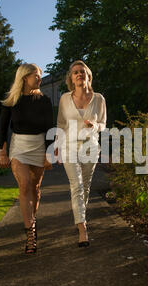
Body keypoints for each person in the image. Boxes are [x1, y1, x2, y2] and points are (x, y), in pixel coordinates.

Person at [0, 63, 54, 254]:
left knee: (35, 189)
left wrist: (49, 154)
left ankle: (32, 221)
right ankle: (30, 234)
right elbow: (3, 127)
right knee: (24, 184)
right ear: (24, 78)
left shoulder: (44, 100)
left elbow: (49, 129)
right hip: (19, 147)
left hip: (38, 146)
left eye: (39, 75)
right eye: (36, 75)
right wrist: (2, 152)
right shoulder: (12, 99)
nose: (39, 78)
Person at [54, 60, 107, 247]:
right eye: (75, 72)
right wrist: (57, 146)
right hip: (69, 146)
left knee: (85, 187)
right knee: (76, 185)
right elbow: (61, 123)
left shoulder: (99, 98)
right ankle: (83, 228)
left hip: (90, 147)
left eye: (82, 71)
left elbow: (103, 124)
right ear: (71, 78)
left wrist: (95, 125)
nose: (79, 74)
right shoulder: (64, 98)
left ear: (88, 76)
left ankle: (79, 217)